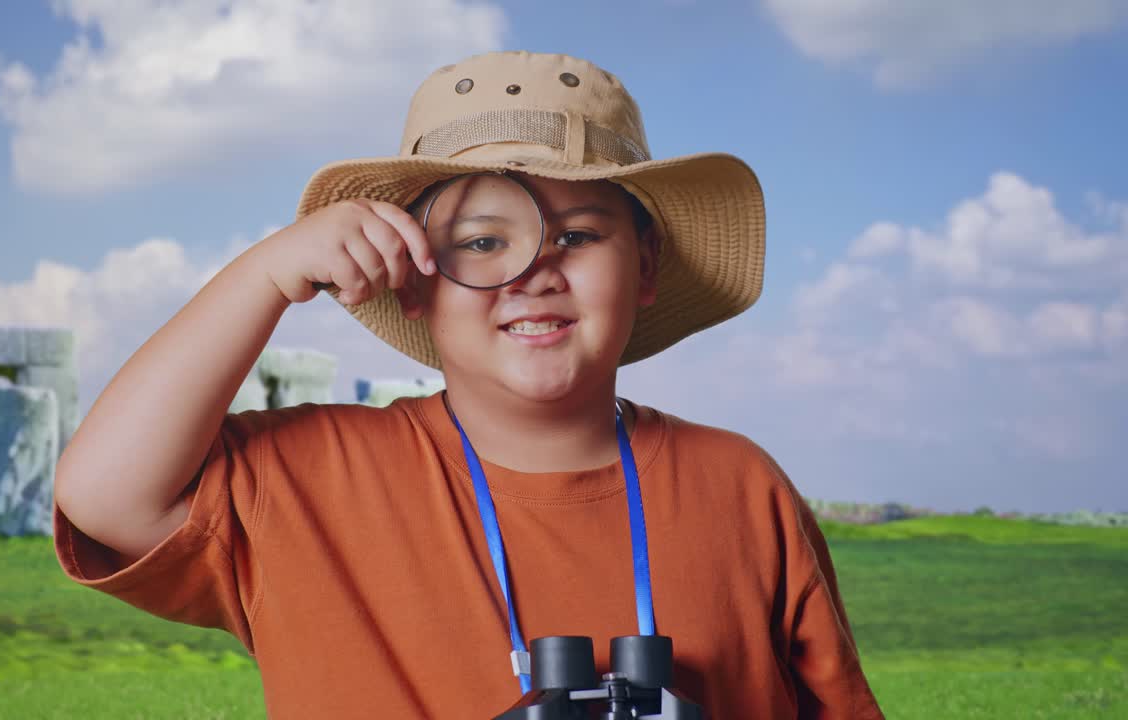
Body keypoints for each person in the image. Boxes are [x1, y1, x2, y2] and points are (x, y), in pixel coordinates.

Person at [53, 50, 886, 718]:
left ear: (645, 270)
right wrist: (261, 276)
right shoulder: (312, 478)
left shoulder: (740, 487)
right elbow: (105, 496)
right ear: (412, 281)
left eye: (580, 235)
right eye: (483, 242)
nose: (536, 273)